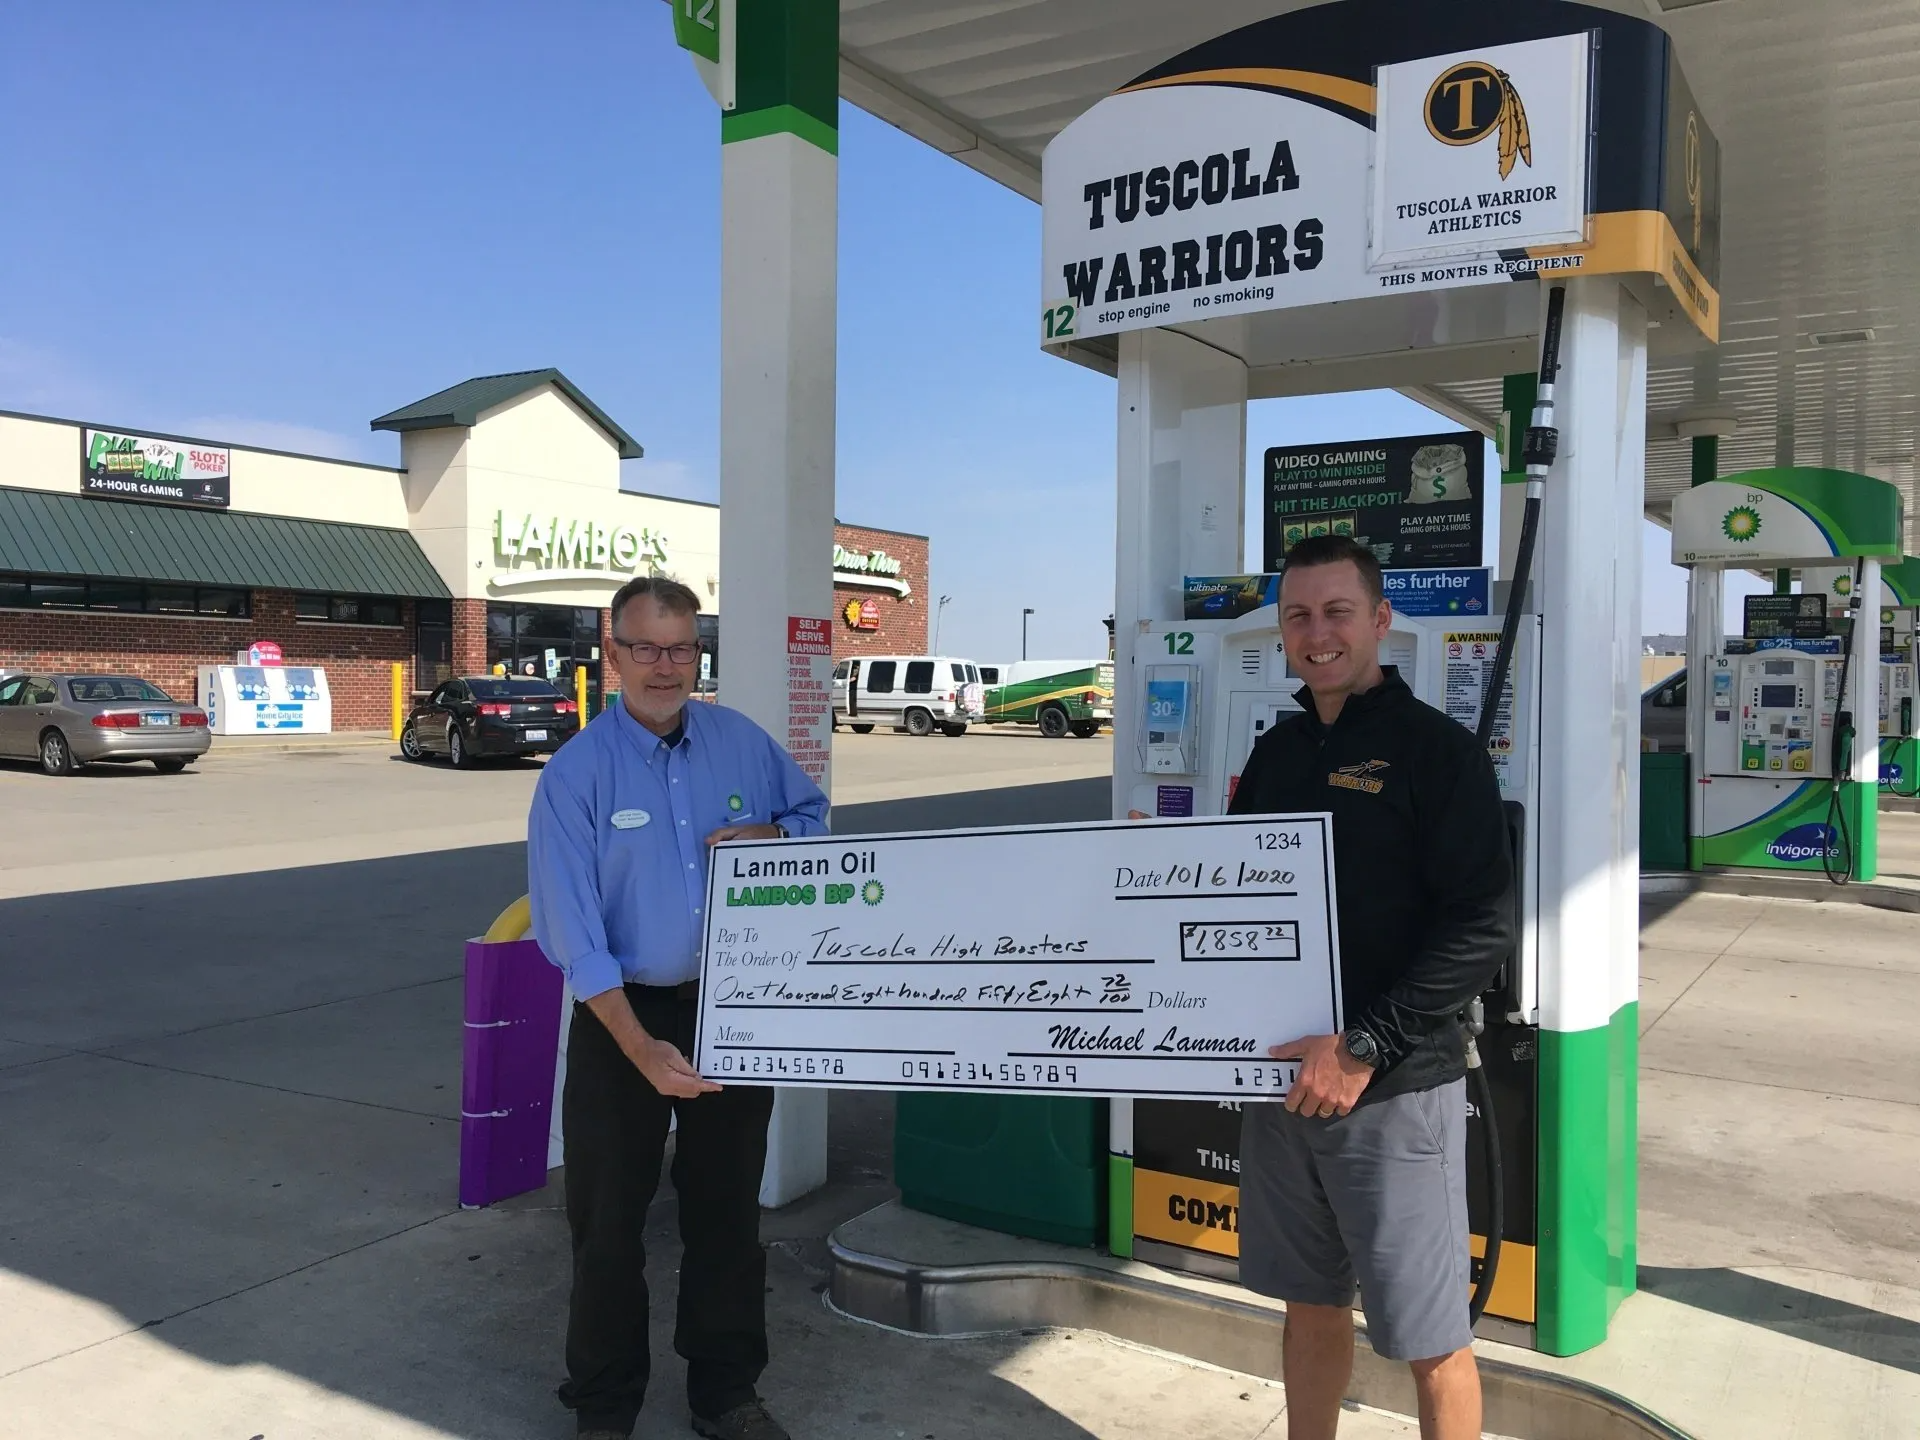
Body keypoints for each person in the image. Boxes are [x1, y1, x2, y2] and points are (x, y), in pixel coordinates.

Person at [1227, 535, 1514, 1440]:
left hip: (1388, 1086)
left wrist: (1363, 1048)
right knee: (1307, 1304)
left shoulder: (1439, 755)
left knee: (1430, 1337)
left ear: (1380, 620)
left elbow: (1482, 926)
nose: (1318, 634)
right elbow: (1233, 889)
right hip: (1283, 1081)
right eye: (1299, 616)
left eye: (1337, 612)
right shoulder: (1276, 754)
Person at [528, 575, 828, 1440]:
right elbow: (576, 941)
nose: (666, 667)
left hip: (735, 1012)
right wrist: (641, 1047)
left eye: (682, 648)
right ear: (612, 652)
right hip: (621, 1014)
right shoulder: (576, 774)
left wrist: (774, 835)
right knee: (608, 1223)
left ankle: (726, 1392)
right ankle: (605, 1402)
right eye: (647, 648)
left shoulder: (742, 745)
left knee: (727, 1212)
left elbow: (816, 819)